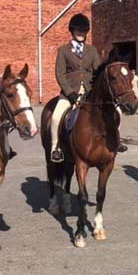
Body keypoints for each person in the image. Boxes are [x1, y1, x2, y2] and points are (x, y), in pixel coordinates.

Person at [50, 13, 105, 163]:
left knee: (110, 111)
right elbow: (60, 74)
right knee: (56, 116)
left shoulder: (92, 50)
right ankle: (56, 148)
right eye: (78, 31)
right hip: (70, 93)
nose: (81, 34)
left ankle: (114, 140)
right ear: (72, 31)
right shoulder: (64, 51)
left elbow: (98, 72)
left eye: (83, 31)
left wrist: (95, 90)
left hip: (89, 92)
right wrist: (70, 93)